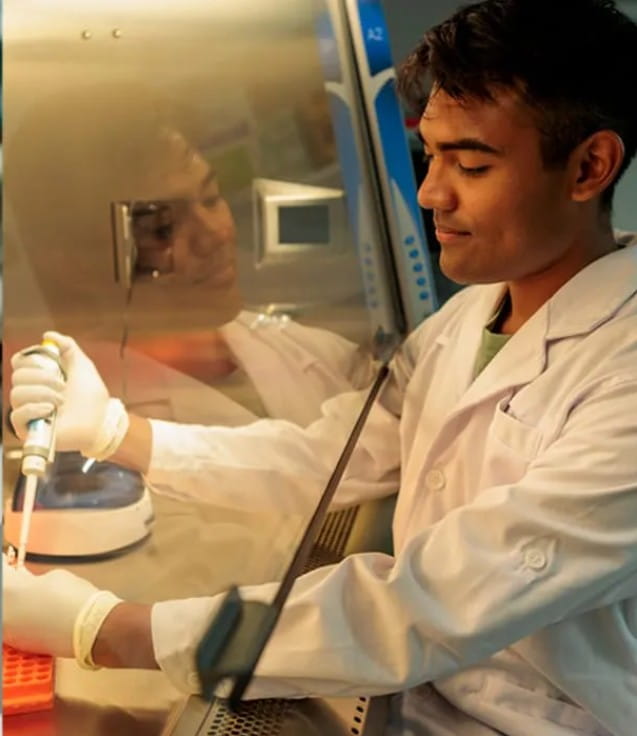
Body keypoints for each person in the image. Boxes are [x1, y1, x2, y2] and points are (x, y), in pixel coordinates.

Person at [5, 0, 637, 733]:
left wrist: (110, 630)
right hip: (417, 700)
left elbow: (429, 601)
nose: (430, 192)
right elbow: (339, 450)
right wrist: (120, 433)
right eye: (428, 155)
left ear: (589, 167)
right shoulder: (473, 313)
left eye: (470, 164)